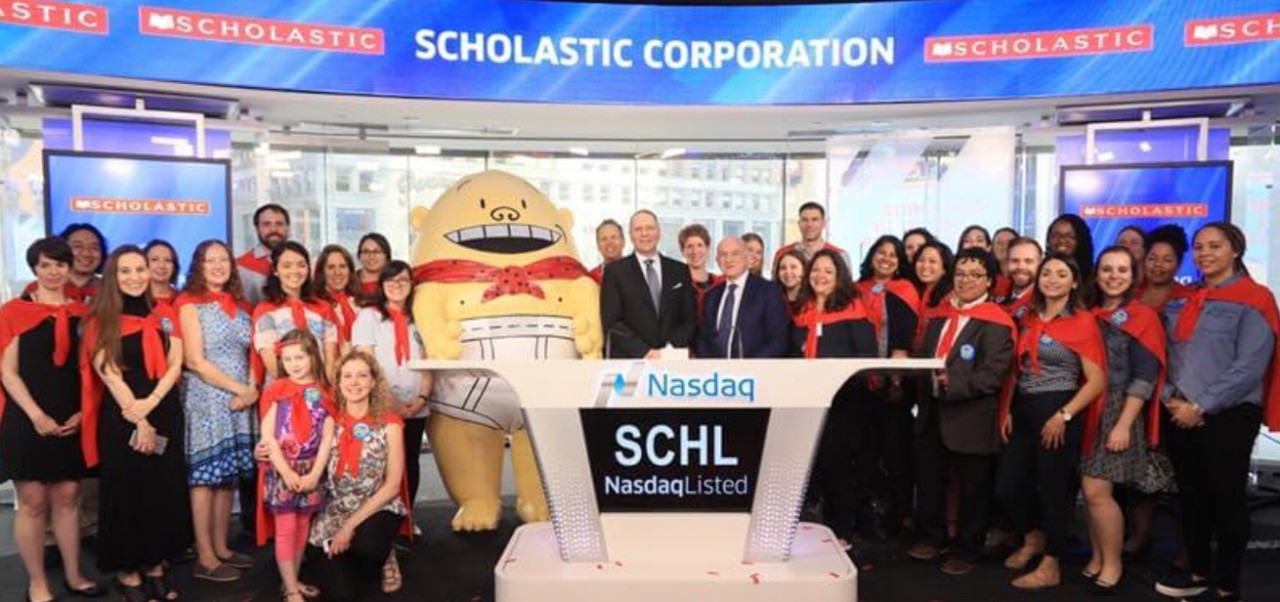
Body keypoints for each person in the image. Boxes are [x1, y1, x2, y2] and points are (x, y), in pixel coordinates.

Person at [1155, 223, 1279, 602]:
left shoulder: (1256, 298)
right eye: (1199, 247)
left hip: (1228, 414)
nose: (1205, 253)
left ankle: (1228, 585)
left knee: (1226, 500)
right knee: (1191, 498)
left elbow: (1250, 366)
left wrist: (1200, 405)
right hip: (1180, 411)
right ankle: (1197, 574)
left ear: (1235, 250)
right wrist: (1171, 399)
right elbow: (1171, 356)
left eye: (1215, 246)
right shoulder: (1187, 298)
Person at [81, 246, 191, 602]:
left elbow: (175, 363)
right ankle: (128, 573)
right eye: (125, 271)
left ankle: (156, 566)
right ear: (113, 276)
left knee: (162, 490)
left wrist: (154, 403)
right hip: (123, 414)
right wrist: (141, 419)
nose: (134, 277)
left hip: (163, 408)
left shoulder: (165, 312)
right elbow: (109, 375)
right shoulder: (100, 319)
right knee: (127, 494)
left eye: (140, 269)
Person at [995, 252, 1106, 590]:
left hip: (1059, 409)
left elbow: (1097, 380)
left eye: (1061, 274)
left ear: (1074, 282)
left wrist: (1064, 414)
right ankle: (1033, 538)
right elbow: (1019, 369)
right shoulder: (1028, 317)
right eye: (1047, 273)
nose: (1052, 279)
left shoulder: (1083, 321)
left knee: (1053, 491)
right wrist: (1008, 409)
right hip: (1024, 407)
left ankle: (1051, 564)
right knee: (1007, 486)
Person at [0, 237, 98, 602]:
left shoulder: (82, 313)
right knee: (33, 500)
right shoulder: (13, 311)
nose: (53, 272)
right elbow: (7, 372)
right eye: (45, 265)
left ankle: (74, 574)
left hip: (70, 413)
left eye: (59, 264)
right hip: (27, 415)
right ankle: (37, 581)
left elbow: (89, 371)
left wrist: (82, 412)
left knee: (69, 495)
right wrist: (37, 415)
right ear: (34, 269)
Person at [909, 247, 1016, 576]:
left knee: (974, 489)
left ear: (989, 282)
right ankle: (933, 536)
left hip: (971, 416)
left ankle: (968, 549)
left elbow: (992, 374)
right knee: (929, 481)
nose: (966, 280)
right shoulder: (940, 315)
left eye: (975, 275)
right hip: (931, 412)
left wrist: (951, 383)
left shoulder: (995, 321)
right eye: (960, 274)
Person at [1080, 246, 1170, 595]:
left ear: (1133, 275)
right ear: (1097, 274)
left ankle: (1113, 562)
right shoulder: (1088, 312)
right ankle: (1098, 556)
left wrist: (1122, 423)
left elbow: (1144, 378)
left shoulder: (1142, 316)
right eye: (1106, 269)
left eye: (1122, 270)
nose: (1113, 276)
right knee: (1090, 493)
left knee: (1097, 490)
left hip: (1119, 409)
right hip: (1088, 405)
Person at [176, 240, 258, 583]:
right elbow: (194, 361)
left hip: (240, 399)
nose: (218, 266)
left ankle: (222, 547)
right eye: (210, 260)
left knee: (227, 478)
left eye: (223, 260)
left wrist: (252, 388)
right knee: (205, 478)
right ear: (198, 265)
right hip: (209, 396)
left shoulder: (241, 305)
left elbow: (254, 351)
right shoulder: (189, 304)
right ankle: (205, 557)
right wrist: (242, 390)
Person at [790, 249, 877, 550]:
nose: (820, 276)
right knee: (813, 465)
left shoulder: (853, 308)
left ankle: (843, 530)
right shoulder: (802, 310)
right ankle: (817, 527)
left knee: (838, 465)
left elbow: (867, 355)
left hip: (844, 402)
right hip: (806, 402)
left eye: (828, 271)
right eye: (815, 270)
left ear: (839, 276)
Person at [309, 351, 412, 602]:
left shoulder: (390, 424)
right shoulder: (330, 422)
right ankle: (354, 563)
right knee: (342, 595)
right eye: (348, 376)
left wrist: (348, 527)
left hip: (377, 506)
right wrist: (266, 448)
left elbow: (391, 487)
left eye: (362, 375)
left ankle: (384, 554)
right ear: (339, 382)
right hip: (335, 511)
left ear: (374, 381)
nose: (354, 382)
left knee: (368, 546)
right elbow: (303, 456)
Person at [258, 330, 337, 602]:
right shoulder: (276, 391)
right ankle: (290, 589)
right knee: (286, 528)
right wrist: (287, 472)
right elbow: (268, 437)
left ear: (313, 356)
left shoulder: (325, 392)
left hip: (312, 469)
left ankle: (293, 578)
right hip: (284, 470)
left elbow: (328, 437)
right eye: (288, 358)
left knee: (304, 524)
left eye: (300, 357)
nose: (294, 363)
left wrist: (315, 474)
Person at [352, 261, 432, 513]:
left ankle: (406, 518)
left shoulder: (420, 318)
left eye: (403, 280)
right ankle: (381, 519)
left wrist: (421, 398)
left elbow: (429, 361)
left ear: (411, 284)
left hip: (416, 406)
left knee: (410, 463)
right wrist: (392, 403)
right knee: (382, 464)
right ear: (382, 285)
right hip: (381, 406)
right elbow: (367, 363)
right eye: (391, 281)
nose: (397, 285)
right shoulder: (369, 316)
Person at [856, 234, 921, 535]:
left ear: (900, 263)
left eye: (893, 255)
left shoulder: (906, 290)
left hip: (895, 384)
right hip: (859, 382)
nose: (886, 258)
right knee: (865, 452)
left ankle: (901, 512)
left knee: (896, 451)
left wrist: (895, 379)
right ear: (871, 256)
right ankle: (868, 511)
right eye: (881, 252)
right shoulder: (856, 290)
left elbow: (904, 338)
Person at [599, 210, 697, 359]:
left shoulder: (679, 270)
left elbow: (690, 319)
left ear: (658, 232)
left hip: (671, 360)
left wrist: (668, 349)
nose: (644, 234)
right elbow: (611, 322)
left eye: (650, 228)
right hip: (630, 361)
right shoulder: (614, 272)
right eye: (638, 229)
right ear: (630, 235)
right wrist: (645, 352)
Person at [253, 241, 340, 382]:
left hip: (320, 391)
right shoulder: (265, 312)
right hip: (282, 392)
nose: (295, 271)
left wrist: (319, 391)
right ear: (275, 270)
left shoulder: (323, 308)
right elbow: (272, 365)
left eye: (301, 265)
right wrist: (299, 390)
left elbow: (331, 360)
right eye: (287, 266)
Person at [695, 237, 789, 359]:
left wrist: (749, 368)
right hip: (718, 374)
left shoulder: (768, 291)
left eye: (735, 254)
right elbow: (703, 339)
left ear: (746, 258)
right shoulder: (711, 296)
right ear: (717, 261)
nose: (728, 259)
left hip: (757, 373)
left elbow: (778, 340)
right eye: (723, 255)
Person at [237, 204, 290, 307]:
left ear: (287, 228)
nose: (274, 229)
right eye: (266, 224)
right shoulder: (242, 267)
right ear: (257, 229)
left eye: (279, 224)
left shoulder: (301, 263)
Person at [772, 202, 849, 270]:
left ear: (824, 223)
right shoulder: (783, 253)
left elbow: (845, 285)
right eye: (805, 220)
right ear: (799, 223)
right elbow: (774, 285)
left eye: (814, 219)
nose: (809, 225)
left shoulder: (840, 255)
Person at [313, 245, 362, 347]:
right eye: (331, 267)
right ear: (322, 272)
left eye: (342, 266)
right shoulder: (313, 306)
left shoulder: (360, 302)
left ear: (350, 270)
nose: (337, 272)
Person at [1138, 224, 1192, 312]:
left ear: (1179, 264)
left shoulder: (1187, 299)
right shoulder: (1130, 295)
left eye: (1167, 260)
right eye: (1152, 258)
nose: (1158, 264)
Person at [680, 224, 721, 323]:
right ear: (683, 251)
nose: (695, 251)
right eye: (690, 246)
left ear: (707, 249)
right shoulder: (677, 285)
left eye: (700, 245)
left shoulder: (720, 283)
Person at [59, 223, 106, 303]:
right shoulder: (44, 289)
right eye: (78, 246)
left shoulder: (111, 290)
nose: (86, 253)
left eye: (94, 247)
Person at [999, 236, 1042, 320]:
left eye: (1028, 261)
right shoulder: (995, 296)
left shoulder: (1045, 302)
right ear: (1007, 263)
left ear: (1040, 264)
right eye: (1015, 261)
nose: (1021, 267)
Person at [1047, 214, 1096, 282]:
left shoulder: (1094, 277)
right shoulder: (1040, 272)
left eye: (1069, 236)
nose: (1061, 240)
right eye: (1055, 235)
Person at [589, 219, 626, 284]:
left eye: (614, 237)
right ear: (598, 245)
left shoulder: (638, 272)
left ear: (623, 242)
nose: (609, 242)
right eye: (604, 239)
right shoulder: (591, 278)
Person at [355, 233, 393, 298]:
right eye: (366, 252)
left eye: (377, 251)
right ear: (359, 256)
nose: (371, 256)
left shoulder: (396, 281)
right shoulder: (348, 282)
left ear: (387, 256)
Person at [145, 240, 180, 308]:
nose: (161, 265)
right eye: (155, 259)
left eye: (167, 260)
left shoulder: (184, 300)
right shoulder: (131, 300)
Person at [772, 249, 808, 314]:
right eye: (783, 268)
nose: (788, 272)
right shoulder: (771, 299)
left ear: (804, 271)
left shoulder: (812, 301)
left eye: (793, 267)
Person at [991, 227, 1018, 298]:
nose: (1004, 246)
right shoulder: (987, 278)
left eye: (1010, 243)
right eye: (999, 243)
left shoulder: (1026, 277)